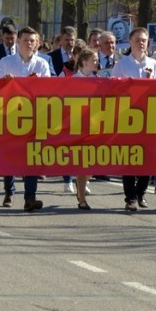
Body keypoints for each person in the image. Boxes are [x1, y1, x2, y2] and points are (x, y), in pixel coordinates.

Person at [0, 26, 51, 211]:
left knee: (32, 156)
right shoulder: (6, 62)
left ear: (37, 43)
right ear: (18, 41)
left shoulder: (42, 64)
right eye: (25, 40)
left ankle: (30, 197)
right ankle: (9, 191)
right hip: (10, 117)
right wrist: (5, 83)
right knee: (11, 155)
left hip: (33, 117)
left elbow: (49, 91)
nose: (29, 44)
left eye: (32, 41)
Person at [111, 27, 156, 210]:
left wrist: (150, 83)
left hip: (148, 118)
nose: (141, 43)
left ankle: (141, 193)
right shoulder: (122, 65)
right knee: (130, 159)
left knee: (147, 159)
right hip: (128, 117)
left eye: (144, 40)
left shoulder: (153, 64)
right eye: (137, 40)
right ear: (130, 43)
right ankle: (130, 197)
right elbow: (112, 91)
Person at [70, 48, 99, 209]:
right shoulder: (72, 80)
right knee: (82, 163)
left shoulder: (100, 80)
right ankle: (82, 199)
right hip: (77, 127)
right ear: (84, 62)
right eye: (94, 60)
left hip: (95, 126)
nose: (97, 62)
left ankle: (81, 187)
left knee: (92, 165)